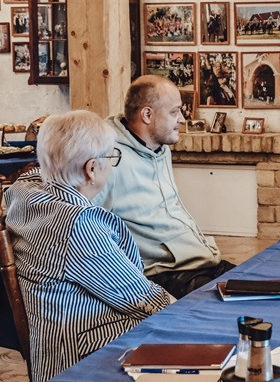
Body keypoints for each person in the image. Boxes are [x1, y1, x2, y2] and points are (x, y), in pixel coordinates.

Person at [4, 111, 172, 382]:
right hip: (85, 357)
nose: (112, 163)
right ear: (92, 169)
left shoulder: (23, 193)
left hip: (53, 347)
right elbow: (144, 301)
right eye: (111, 157)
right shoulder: (77, 225)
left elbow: (34, 173)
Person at [93, 75, 234, 298]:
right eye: (174, 112)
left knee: (267, 286)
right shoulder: (109, 160)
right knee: (241, 307)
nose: (182, 118)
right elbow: (85, 221)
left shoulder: (161, 149)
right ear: (147, 114)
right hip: (167, 273)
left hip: (201, 261)